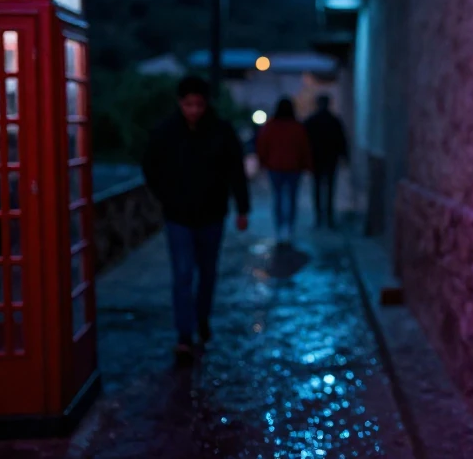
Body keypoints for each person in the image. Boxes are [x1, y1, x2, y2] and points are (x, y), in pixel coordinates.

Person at [143, 75, 250, 365]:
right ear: (180, 103)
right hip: (178, 215)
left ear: (206, 104)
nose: (194, 110)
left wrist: (243, 208)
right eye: (189, 104)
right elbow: (150, 167)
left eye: (199, 104)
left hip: (212, 214)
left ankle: (201, 318)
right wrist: (166, 196)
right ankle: (184, 334)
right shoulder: (165, 132)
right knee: (182, 274)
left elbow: (236, 170)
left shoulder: (222, 132)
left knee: (207, 273)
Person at [256, 98, 313, 244]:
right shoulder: (297, 127)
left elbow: (262, 145)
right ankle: (289, 227)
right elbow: (304, 148)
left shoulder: (271, 126)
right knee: (292, 198)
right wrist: (306, 165)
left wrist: (263, 162)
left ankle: (280, 227)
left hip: (275, 167)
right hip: (293, 167)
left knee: (278, 197)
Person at [303, 95, 348, 228]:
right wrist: (344, 156)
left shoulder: (312, 120)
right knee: (328, 189)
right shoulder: (333, 120)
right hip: (329, 159)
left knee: (317, 188)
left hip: (318, 159)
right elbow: (341, 140)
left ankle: (320, 217)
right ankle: (327, 217)